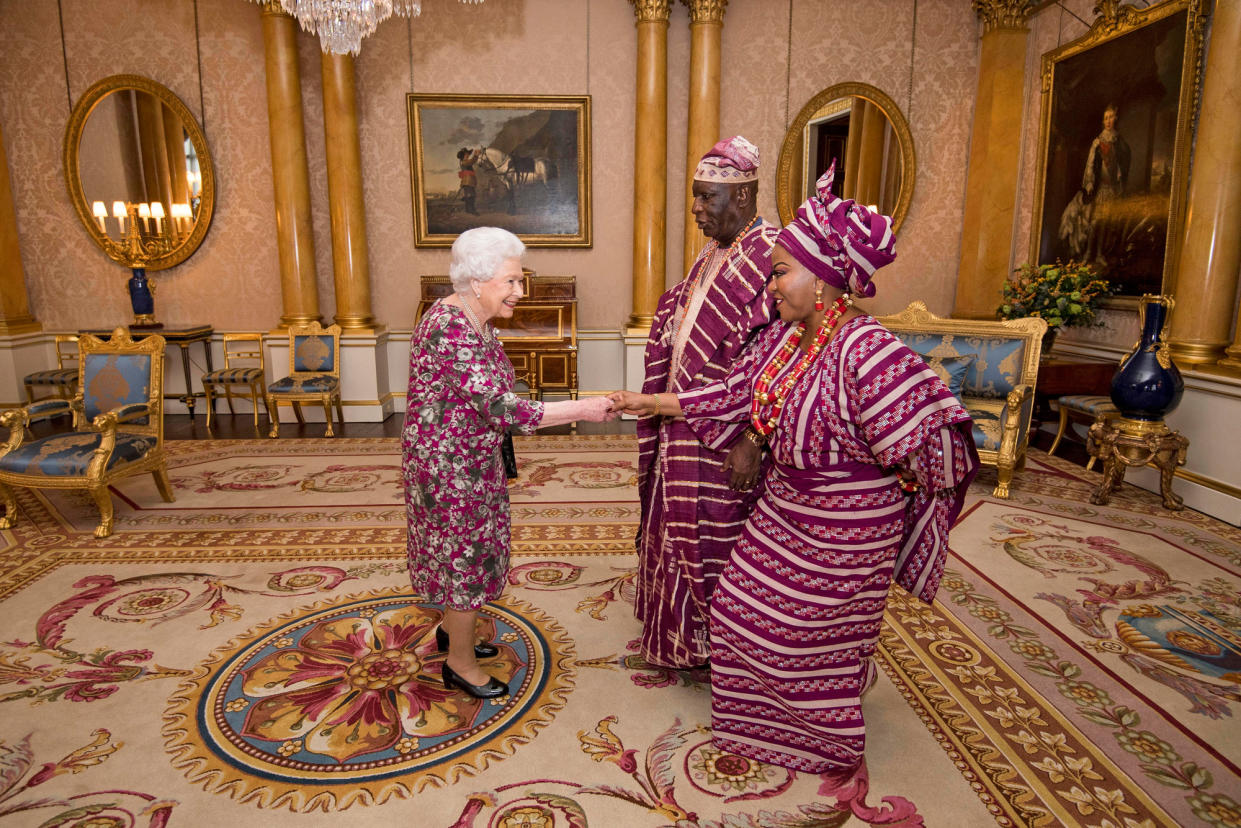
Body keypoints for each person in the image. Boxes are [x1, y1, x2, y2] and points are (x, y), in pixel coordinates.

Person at [610, 164, 978, 777]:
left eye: (780, 273)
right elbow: (736, 395)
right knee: (734, 606)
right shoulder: (788, 339)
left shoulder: (866, 347)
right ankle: (762, 727)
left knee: (798, 633)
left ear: (825, 278)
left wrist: (899, 507)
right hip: (784, 507)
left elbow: (935, 435)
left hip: (846, 524)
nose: (771, 286)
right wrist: (652, 403)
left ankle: (819, 741)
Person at [404, 226, 614, 699]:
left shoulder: (474, 320)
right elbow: (501, 407)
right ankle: (458, 662)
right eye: (512, 281)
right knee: (464, 558)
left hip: (472, 460)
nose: (521, 291)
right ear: (477, 281)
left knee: (473, 549)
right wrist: (581, 408)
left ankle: (452, 632)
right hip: (449, 469)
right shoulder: (448, 327)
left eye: (522, 280)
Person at [630, 135, 779, 670]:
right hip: (684, 419)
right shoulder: (717, 251)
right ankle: (679, 642)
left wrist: (753, 438)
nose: (695, 209)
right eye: (695, 197)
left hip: (725, 431)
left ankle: (724, 652)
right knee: (673, 522)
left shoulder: (773, 257)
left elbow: (771, 363)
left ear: (741, 197)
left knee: (712, 536)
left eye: (704, 198)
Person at [1059, 104, 1131, 264]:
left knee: (1106, 223)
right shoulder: (1097, 143)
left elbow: (1122, 164)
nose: (1108, 121)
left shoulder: (1119, 143)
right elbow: (1090, 164)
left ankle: (1099, 254)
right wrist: (1090, 182)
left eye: (1111, 117)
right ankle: (1088, 254)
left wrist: (1119, 178)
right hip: (1099, 189)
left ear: (1116, 119)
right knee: (1095, 222)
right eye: (1106, 118)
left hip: (1111, 190)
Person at [457, 147, 480, 216]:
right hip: (468, 181)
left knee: (468, 196)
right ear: (463, 155)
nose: (468, 155)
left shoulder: (464, 161)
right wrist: (476, 155)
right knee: (471, 196)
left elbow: (471, 162)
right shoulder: (464, 162)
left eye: (468, 154)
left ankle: (468, 210)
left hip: (468, 181)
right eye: (466, 154)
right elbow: (471, 161)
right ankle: (472, 210)